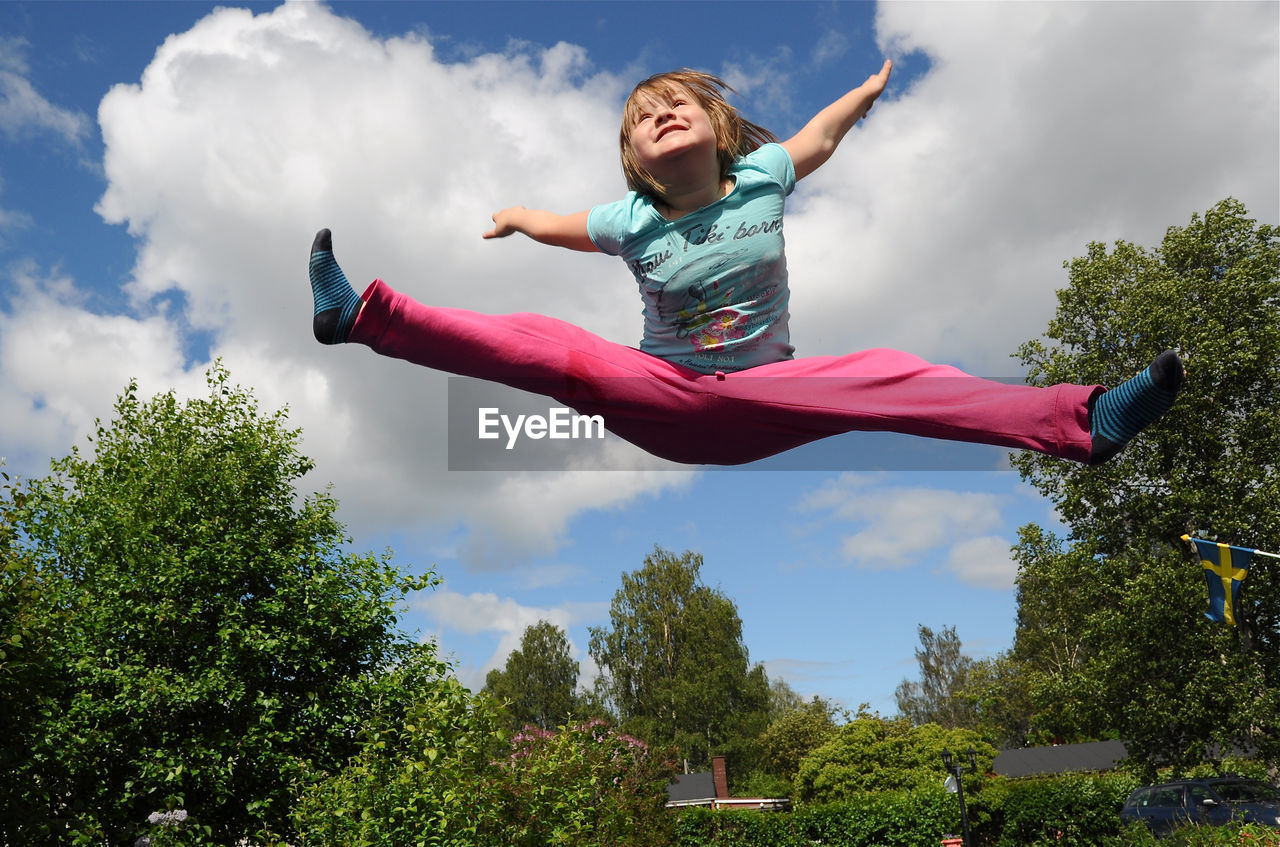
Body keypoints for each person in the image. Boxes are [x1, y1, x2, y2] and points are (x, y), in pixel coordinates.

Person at [307, 60, 1182, 466]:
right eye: (643, 118)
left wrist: (866, 95)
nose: (661, 117)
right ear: (636, 161)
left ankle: (1084, 423)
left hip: (766, 397)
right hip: (664, 397)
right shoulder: (629, 219)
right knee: (552, 345)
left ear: (715, 128)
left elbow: (819, 137)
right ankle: (363, 318)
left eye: (675, 104)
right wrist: (517, 218)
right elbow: (562, 224)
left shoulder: (761, 176)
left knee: (889, 373)